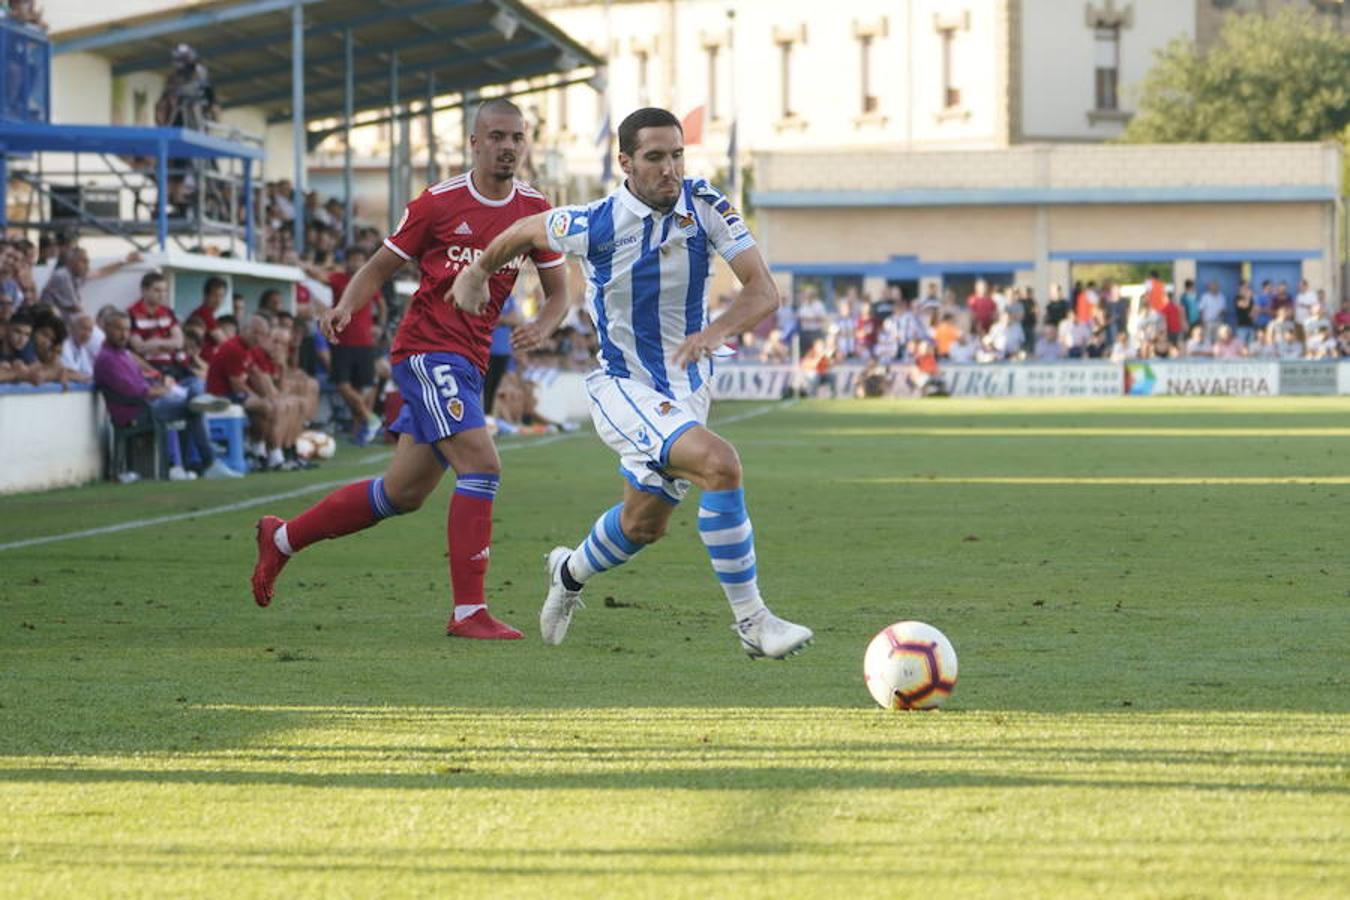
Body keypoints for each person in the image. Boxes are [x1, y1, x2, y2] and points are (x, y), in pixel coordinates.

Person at [451, 106, 813, 659]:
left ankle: (567, 573)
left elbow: (762, 290)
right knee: (721, 464)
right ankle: (754, 622)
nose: (669, 168)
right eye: (654, 157)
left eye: (676, 155)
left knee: (644, 524)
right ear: (625, 162)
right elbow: (524, 229)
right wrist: (475, 273)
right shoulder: (595, 222)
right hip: (624, 387)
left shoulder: (706, 203)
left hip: (687, 387)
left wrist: (714, 332)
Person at [250, 97, 571, 641]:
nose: (507, 146)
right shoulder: (437, 203)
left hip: (470, 360)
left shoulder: (535, 211)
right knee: (483, 465)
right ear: (474, 143)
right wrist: (347, 305)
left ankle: (282, 539)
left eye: (516, 137)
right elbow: (380, 266)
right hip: (426, 350)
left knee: (402, 494)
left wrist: (547, 325)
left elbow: (561, 291)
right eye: (496, 136)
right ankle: (469, 612)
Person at [95, 310, 239, 480]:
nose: (124, 334)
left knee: (193, 384)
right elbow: (140, 393)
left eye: (127, 329)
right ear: (106, 328)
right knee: (194, 408)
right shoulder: (108, 359)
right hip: (137, 411)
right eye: (119, 329)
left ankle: (198, 403)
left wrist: (162, 383)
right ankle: (209, 463)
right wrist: (165, 390)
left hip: (149, 403)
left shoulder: (124, 354)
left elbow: (144, 383)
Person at [312, 246, 386, 443]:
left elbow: (382, 305)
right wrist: (302, 264)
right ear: (347, 261)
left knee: (366, 386)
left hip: (365, 341)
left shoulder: (369, 280)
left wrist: (380, 326)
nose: (355, 263)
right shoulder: (338, 278)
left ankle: (361, 429)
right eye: (352, 259)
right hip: (341, 339)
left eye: (359, 259)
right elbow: (317, 275)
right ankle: (370, 419)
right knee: (343, 385)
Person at [128, 271, 184, 373]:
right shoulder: (132, 313)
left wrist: (157, 342)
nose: (162, 295)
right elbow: (139, 347)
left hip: (173, 366)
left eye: (164, 291)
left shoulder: (168, 312)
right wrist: (168, 346)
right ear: (144, 290)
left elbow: (179, 342)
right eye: (157, 291)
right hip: (147, 368)